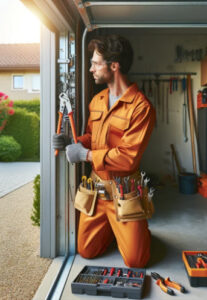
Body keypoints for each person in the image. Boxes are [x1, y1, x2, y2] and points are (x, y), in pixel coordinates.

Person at [53, 35, 156, 268]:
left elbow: (128, 158)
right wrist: (73, 142)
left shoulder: (141, 107)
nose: (91, 69)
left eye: (95, 63)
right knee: (86, 251)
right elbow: (92, 138)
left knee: (136, 261)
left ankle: (139, 231)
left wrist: (85, 155)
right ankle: (114, 228)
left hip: (125, 191)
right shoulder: (97, 101)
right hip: (97, 191)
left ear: (114, 66)